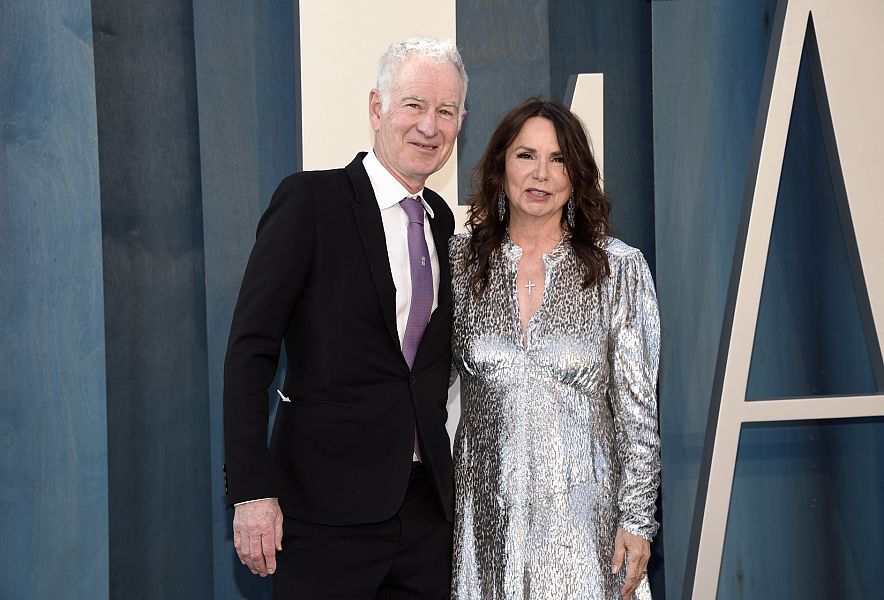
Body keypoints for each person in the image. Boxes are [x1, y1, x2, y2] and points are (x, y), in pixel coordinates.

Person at [223, 37, 467, 599]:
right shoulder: (310, 202)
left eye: (446, 111)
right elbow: (250, 349)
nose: (429, 126)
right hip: (322, 514)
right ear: (377, 108)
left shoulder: (440, 219)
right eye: (414, 105)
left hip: (424, 515)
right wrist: (251, 490)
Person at [449, 98, 660, 600]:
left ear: (576, 175)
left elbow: (638, 413)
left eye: (559, 159)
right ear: (501, 166)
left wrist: (636, 520)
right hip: (486, 526)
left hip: (585, 528)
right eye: (526, 156)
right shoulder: (460, 262)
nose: (541, 174)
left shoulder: (618, 269)